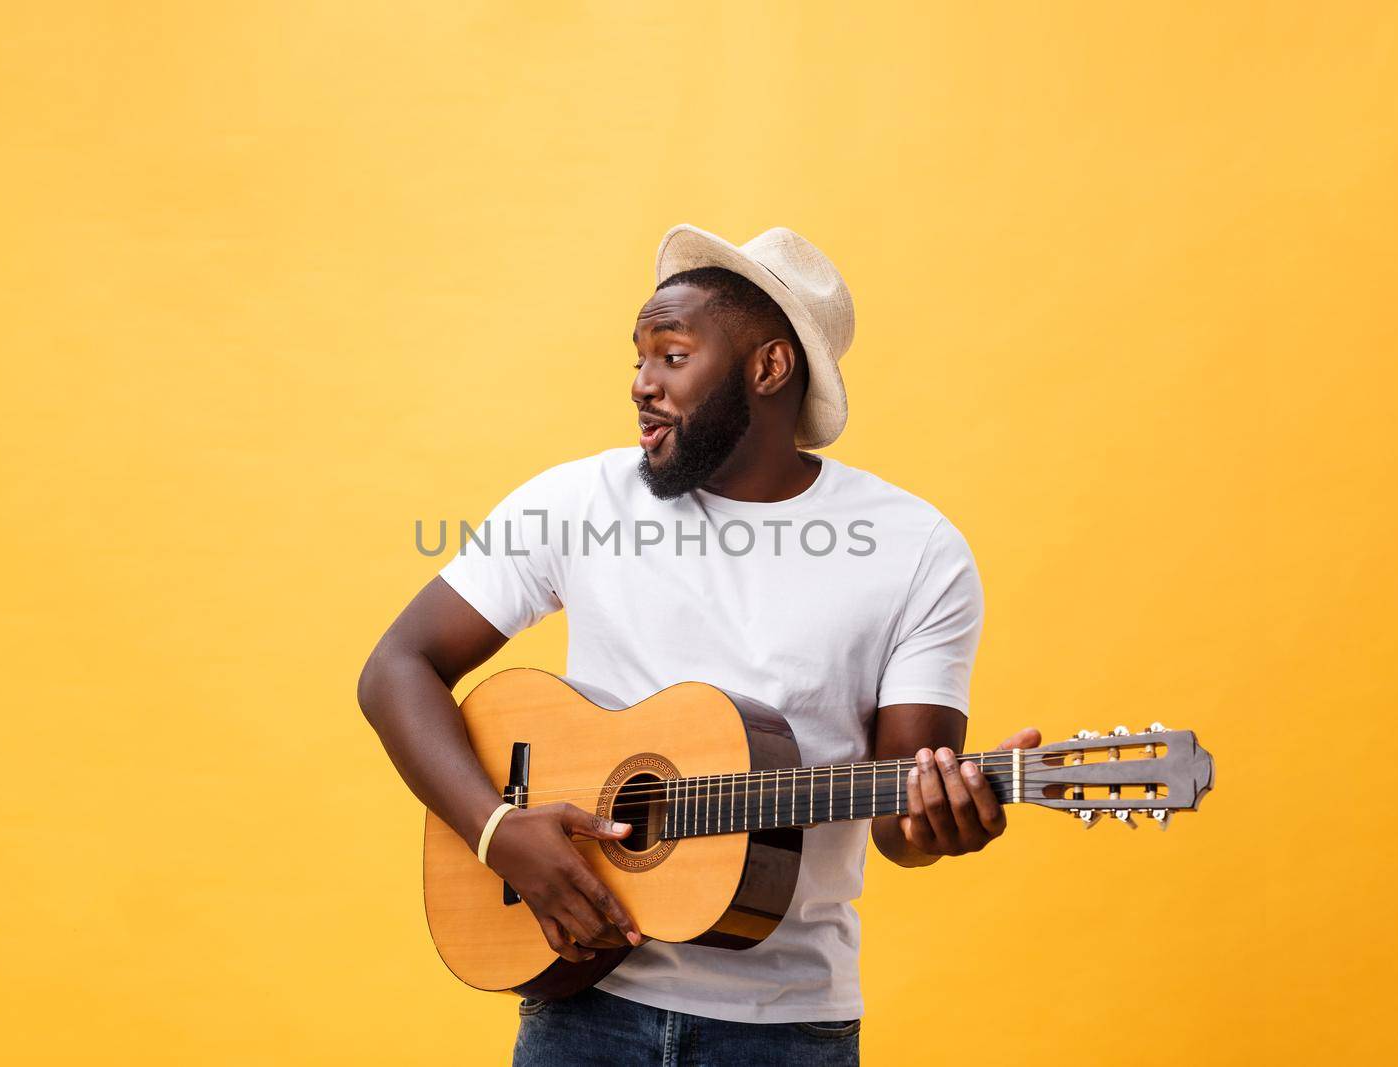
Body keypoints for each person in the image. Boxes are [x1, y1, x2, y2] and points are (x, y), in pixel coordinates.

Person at [357, 224, 1041, 1066]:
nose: (642, 385)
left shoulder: (916, 549)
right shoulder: (581, 500)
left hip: (790, 1031)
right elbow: (396, 667)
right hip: (583, 1010)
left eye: (671, 356)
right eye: (639, 359)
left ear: (768, 368)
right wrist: (496, 830)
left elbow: (903, 819)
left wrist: (943, 819)